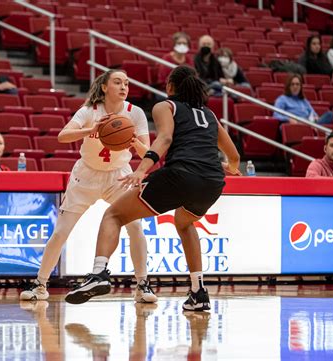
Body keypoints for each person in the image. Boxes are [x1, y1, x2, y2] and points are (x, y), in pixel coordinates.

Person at [64, 65, 241, 311]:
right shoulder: (210, 115)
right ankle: (198, 291)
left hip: (180, 174)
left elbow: (165, 138)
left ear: (170, 86)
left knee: (113, 215)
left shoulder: (165, 106)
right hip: (211, 182)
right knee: (185, 223)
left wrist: (141, 170)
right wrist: (226, 166)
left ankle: (99, 274)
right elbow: (234, 157)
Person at [20, 69, 157, 304]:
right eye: (117, 82)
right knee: (62, 231)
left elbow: (149, 153)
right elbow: (63, 136)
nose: (124, 87)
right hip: (86, 176)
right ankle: (40, 284)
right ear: (104, 87)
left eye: (126, 82)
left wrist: (132, 139)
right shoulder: (89, 111)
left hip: (119, 177)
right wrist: (92, 130)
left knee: (136, 228)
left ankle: (142, 285)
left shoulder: (135, 114)